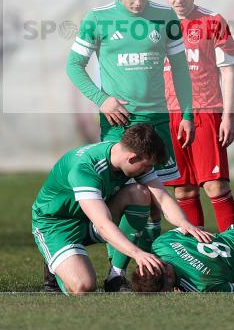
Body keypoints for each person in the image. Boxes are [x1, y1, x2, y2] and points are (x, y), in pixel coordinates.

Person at [66, 0, 195, 290]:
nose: (137, 4)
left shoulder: (165, 18)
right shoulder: (98, 19)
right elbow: (74, 66)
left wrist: (187, 113)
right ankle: (116, 271)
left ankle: (150, 274)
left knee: (156, 200)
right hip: (118, 122)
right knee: (128, 194)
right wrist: (102, 99)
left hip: (158, 119)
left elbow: (180, 68)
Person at [31, 124, 212, 294]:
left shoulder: (128, 156)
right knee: (83, 286)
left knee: (140, 193)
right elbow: (102, 224)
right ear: (132, 158)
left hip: (89, 218)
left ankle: (116, 276)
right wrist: (137, 253)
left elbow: (162, 197)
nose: (149, 170)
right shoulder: (85, 169)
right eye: (147, 166)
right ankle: (55, 264)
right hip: (56, 226)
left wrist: (185, 223)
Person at [162, 0, 234, 231]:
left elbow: (228, 72)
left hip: (205, 112)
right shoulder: (153, 25)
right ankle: (199, 260)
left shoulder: (213, 22)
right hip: (168, 116)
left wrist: (227, 116)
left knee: (216, 186)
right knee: (183, 191)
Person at [129, 222, 234, 293]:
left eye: (166, 291)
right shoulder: (160, 244)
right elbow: (197, 229)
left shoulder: (201, 286)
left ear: (168, 276)